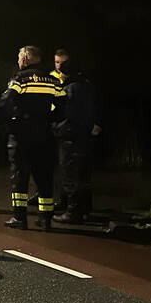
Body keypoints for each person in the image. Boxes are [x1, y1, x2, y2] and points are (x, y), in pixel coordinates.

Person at [0, 45, 66, 230]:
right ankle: (45, 219)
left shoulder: (20, 79)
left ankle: (20, 218)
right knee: (44, 177)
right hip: (44, 135)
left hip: (21, 135)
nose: (18, 61)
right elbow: (63, 106)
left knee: (20, 176)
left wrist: (10, 121)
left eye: (20, 58)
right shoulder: (52, 80)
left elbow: (5, 102)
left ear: (26, 59)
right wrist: (49, 120)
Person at [53, 58, 102, 224]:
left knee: (70, 175)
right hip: (85, 136)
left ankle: (72, 212)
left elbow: (67, 113)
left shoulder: (69, 89)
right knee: (83, 174)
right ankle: (85, 210)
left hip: (70, 136)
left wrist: (56, 125)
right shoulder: (87, 86)